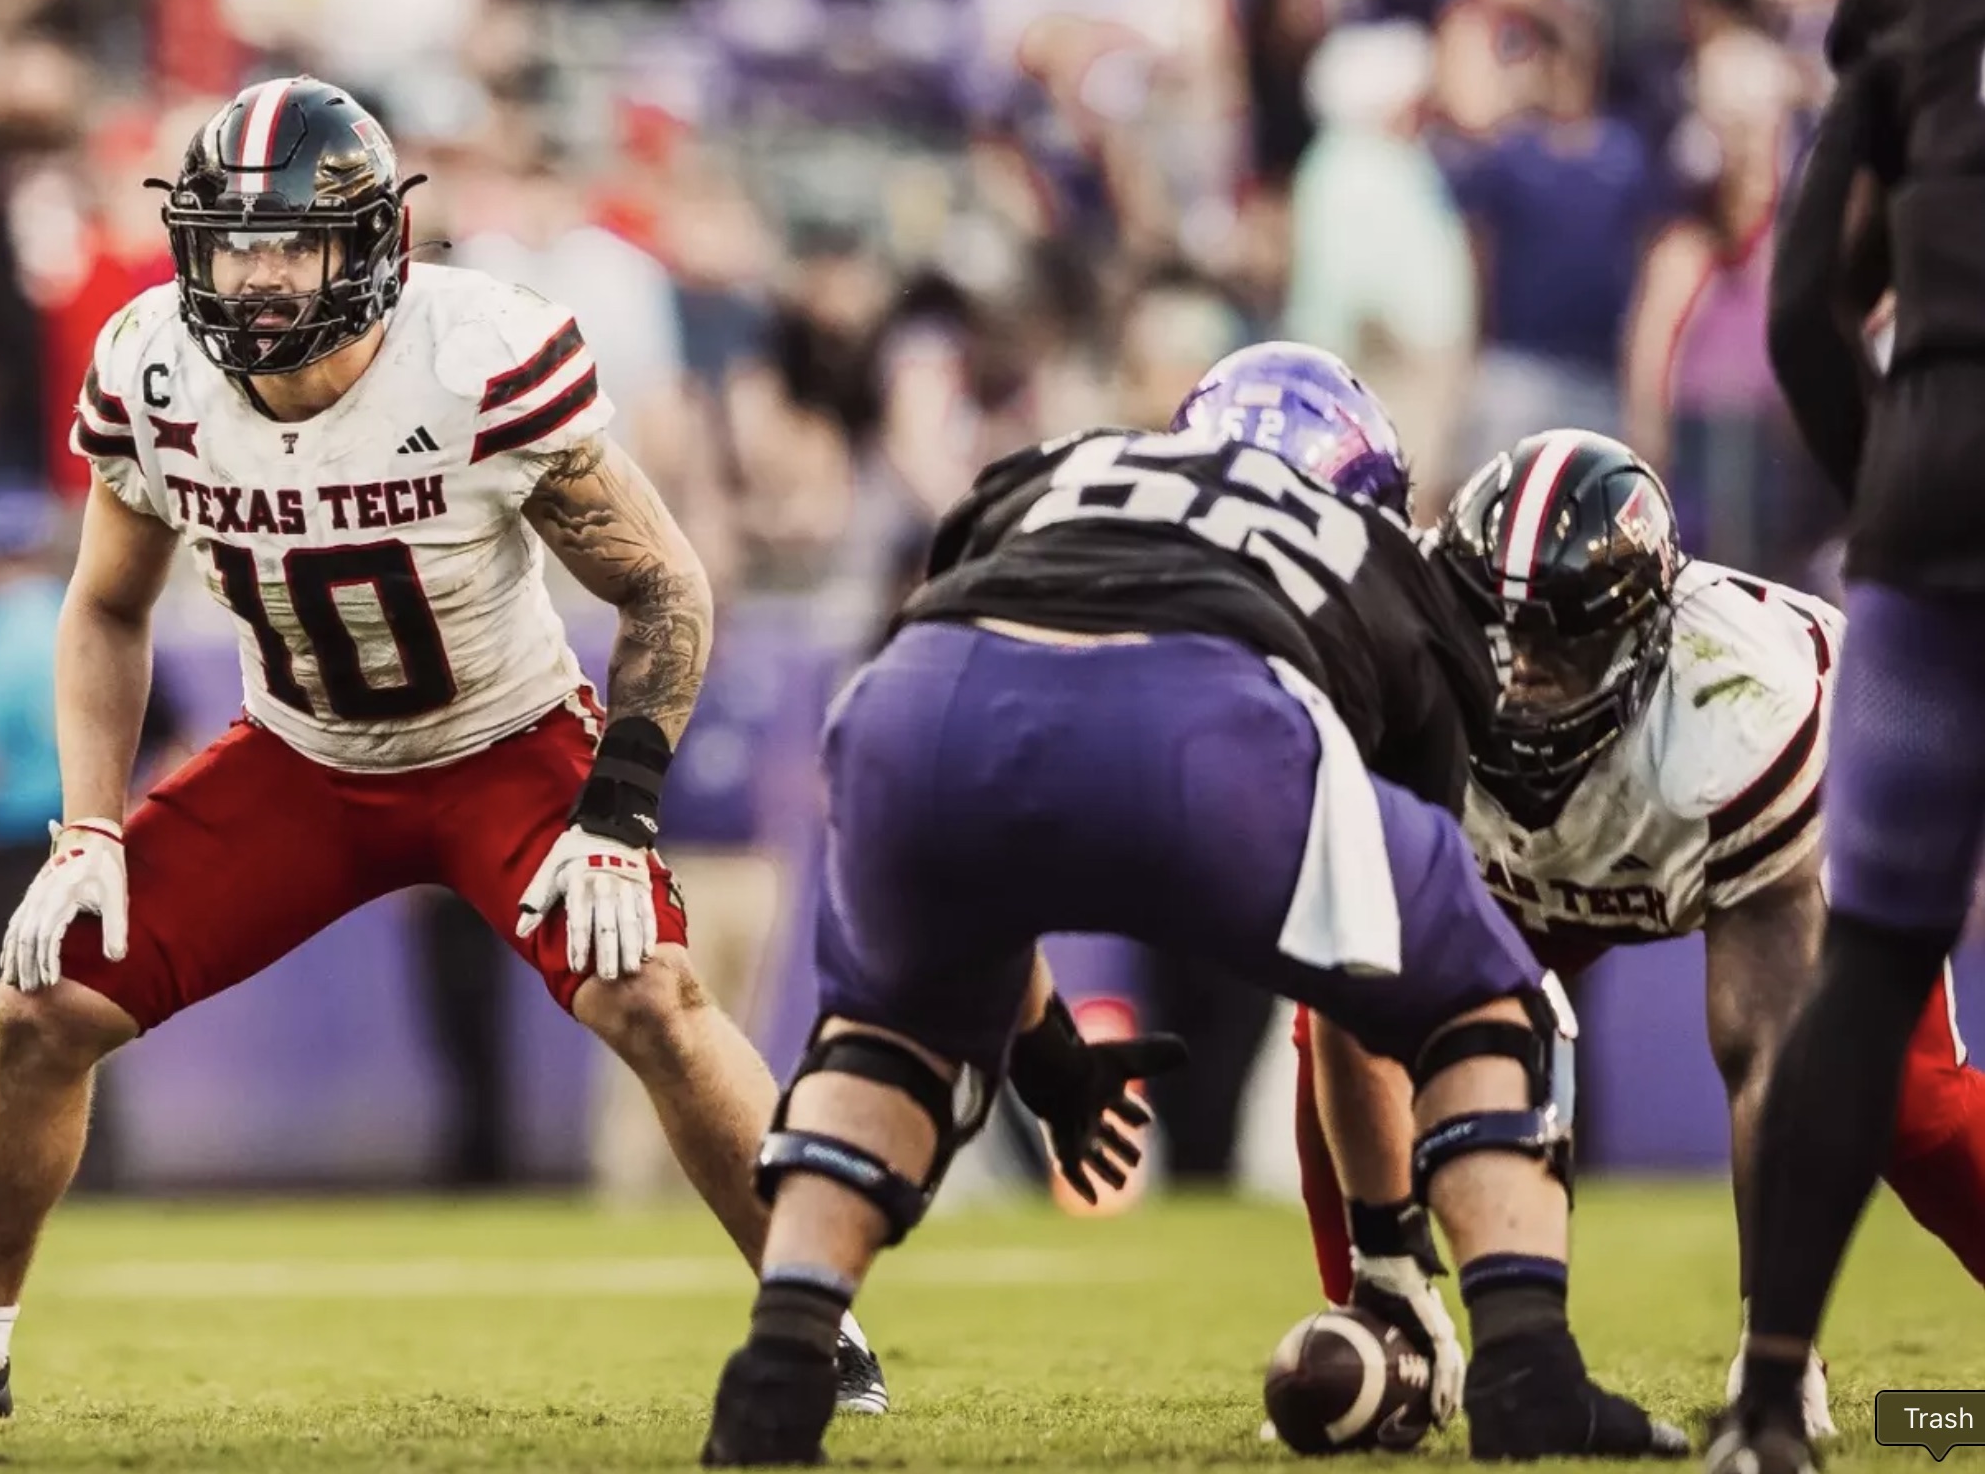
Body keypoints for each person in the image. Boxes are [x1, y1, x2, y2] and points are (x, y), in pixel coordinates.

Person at [0, 75, 888, 1420]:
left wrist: (618, 811)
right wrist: (87, 827)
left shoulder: (482, 355)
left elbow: (669, 590)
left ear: (369, 244)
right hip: (301, 758)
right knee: (42, 999)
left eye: (287, 241)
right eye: (229, 241)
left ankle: (816, 1324)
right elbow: (108, 607)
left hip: (503, 744)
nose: (253, 275)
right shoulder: (153, 365)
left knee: (649, 989)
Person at [700, 343, 1691, 1467]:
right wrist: (1386, 1257)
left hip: (916, 710)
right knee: (1489, 1004)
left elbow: (983, 723)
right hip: (1212, 719)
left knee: (885, 1047)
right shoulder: (1381, 560)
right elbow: (1375, 993)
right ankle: (1531, 1374)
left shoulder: (1050, 465)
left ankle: (775, 1379)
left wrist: (1048, 1050)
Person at [1288, 430, 1984, 1448]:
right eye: (1497, 630)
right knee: (1342, 1016)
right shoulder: (1408, 650)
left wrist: (1774, 1349)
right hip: (1533, 849)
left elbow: (1768, 1059)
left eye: (1557, 643)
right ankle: (1382, 1314)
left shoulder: (1745, 707)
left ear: (1640, 634)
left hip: (1712, 826)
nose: (1519, 674)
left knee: (1902, 1106)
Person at [1710, 0, 1985, 1474]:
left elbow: (1812, 307)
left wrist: (1897, 489)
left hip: (1938, 495)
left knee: (1872, 964)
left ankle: (1767, 1408)